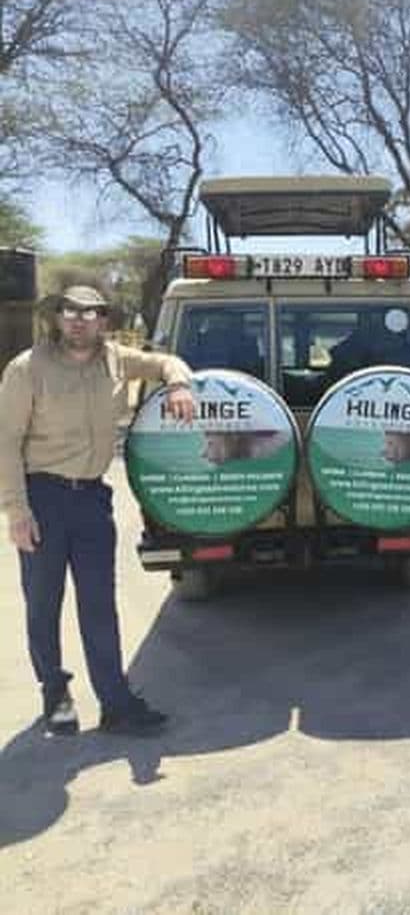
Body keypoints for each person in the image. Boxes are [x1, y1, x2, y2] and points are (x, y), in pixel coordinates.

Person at [0, 284, 195, 736]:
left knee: (99, 606)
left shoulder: (116, 358)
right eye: (70, 311)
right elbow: (6, 442)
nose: (79, 320)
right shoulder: (27, 369)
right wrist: (16, 511)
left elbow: (167, 360)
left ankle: (115, 702)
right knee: (43, 605)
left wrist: (179, 384)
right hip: (43, 498)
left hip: (91, 499)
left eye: (90, 313)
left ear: (104, 320)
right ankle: (55, 692)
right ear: (57, 317)